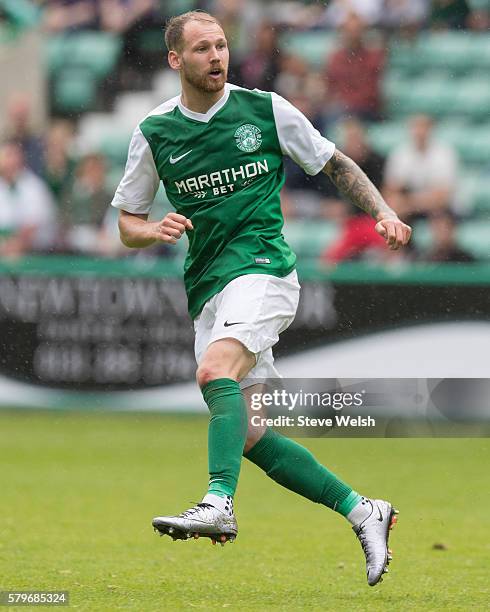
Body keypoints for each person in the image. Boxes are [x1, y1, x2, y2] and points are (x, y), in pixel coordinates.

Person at [111, 10, 411, 587]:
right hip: (208, 286)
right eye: (202, 49)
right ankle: (363, 509)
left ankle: (218, 501)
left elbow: (334, 163)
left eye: (221, 45)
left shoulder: (265, 108)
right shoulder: (154, 131)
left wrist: (382, 211)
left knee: (212, 369)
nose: (216, 56)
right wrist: (155, 230)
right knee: (248, 434)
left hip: (264, 269)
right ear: (175, 59)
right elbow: (128, 221)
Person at [382, 114, 459, 226]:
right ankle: (401, 243)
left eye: (423, 127)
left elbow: (442, 197)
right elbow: (391, 189)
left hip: (439, 209)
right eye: (416, 127)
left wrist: (409, 204)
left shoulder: (444, 154)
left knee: (441, 217)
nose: (420, 132)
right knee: (393, 211)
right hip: (412, 207)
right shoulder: (401, 153)